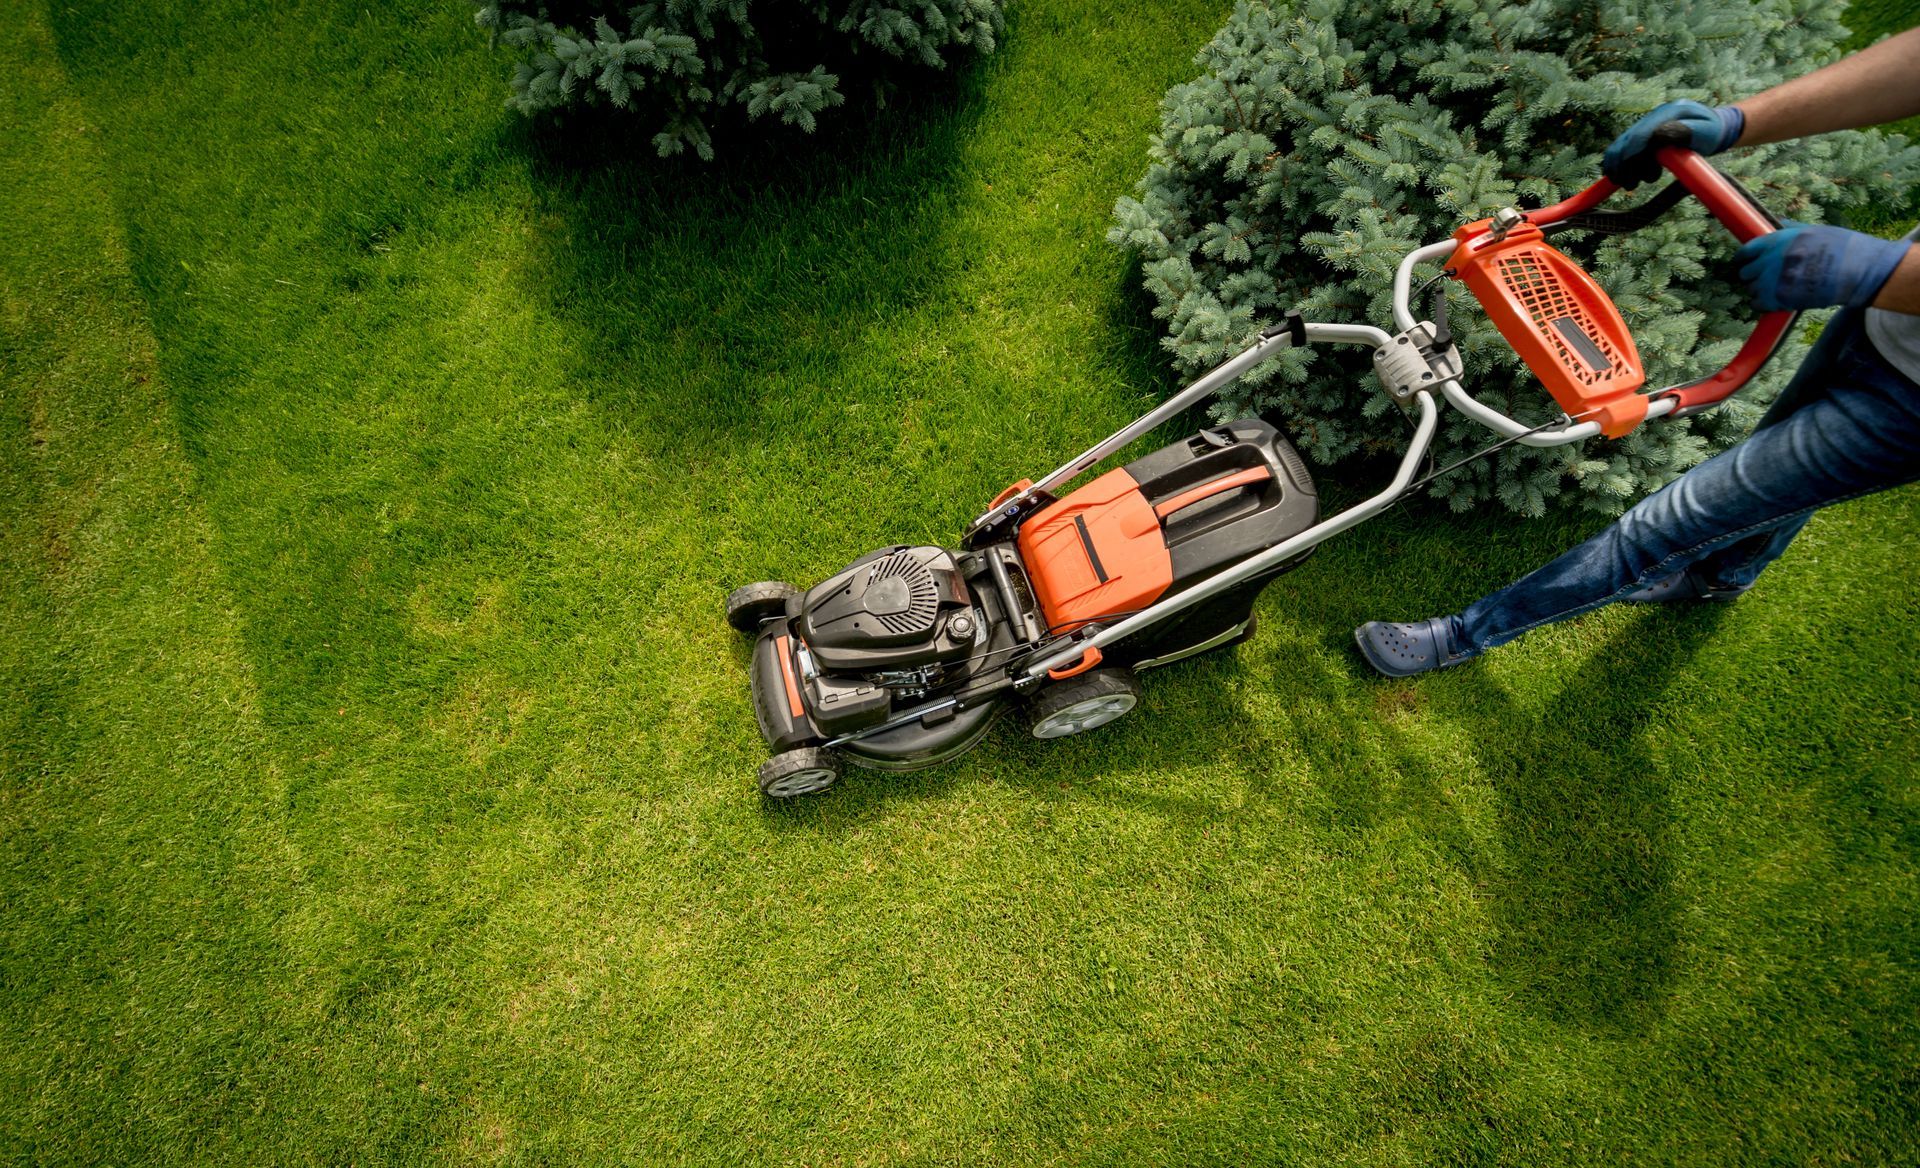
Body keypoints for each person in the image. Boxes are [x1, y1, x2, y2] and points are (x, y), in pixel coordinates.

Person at [1353, 26, 1920, 678]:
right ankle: (1729, 573)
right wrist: (1735, 123)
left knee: (1671, 521)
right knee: (1789, 461)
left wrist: (1885, 272)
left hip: (1909, 401)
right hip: (1889, 322)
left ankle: (1464, 634)